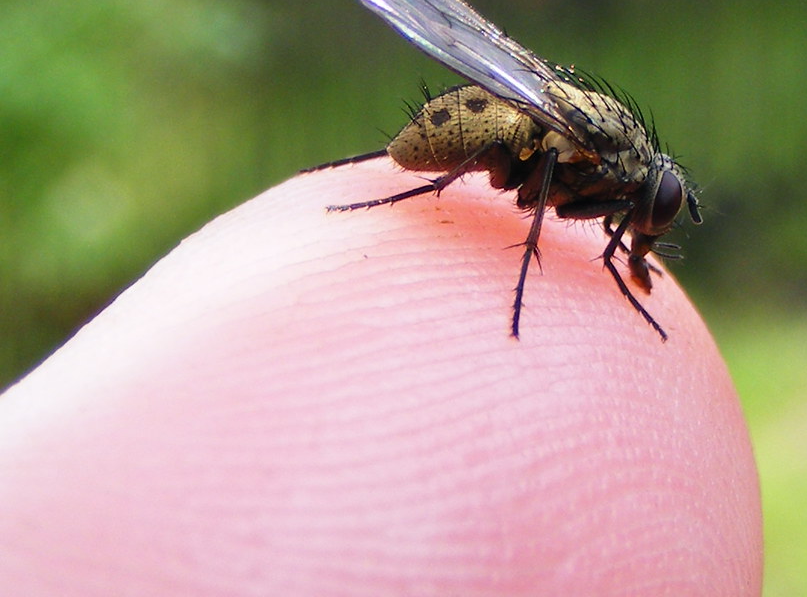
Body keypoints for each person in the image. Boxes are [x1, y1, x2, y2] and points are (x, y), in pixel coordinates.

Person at [0, 158, 762, 595]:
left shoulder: (614, 183)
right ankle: (406, 195)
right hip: (505, 139)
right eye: (655, 210)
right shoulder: (589, 165)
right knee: (525, 146)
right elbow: (549, 177)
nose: (650, 221)